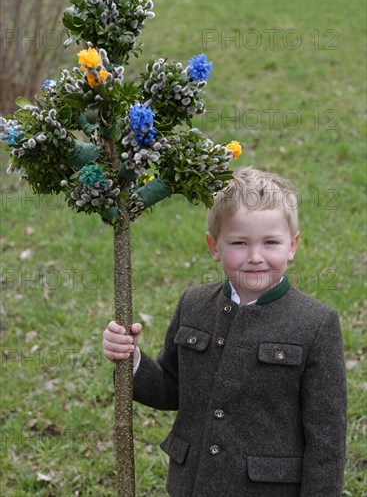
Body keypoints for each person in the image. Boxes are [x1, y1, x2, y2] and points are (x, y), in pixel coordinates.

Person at [103, 167, 347, 497]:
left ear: (293, 245)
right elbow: (172, 389)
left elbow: (326, 438)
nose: (255, 257)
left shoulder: (316, 324)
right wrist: (131, 360)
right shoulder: (194, 304)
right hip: (192, 485)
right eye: (239, 243)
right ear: (214, 246)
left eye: (270, 242)